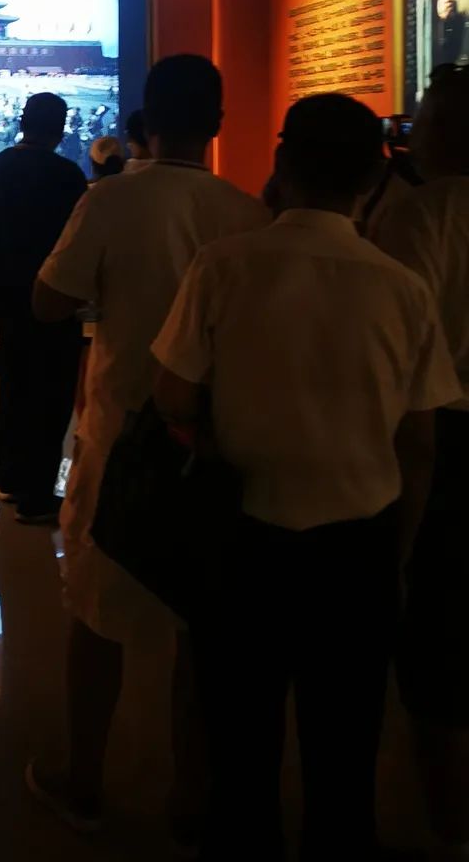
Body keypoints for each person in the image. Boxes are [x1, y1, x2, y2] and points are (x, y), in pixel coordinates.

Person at [153, 92, 461, 862]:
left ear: (281, 166)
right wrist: (398, 553)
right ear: (373, 179)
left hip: (242, 537)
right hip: (358, 545)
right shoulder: (402, 286)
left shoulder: (222, 265)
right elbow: (420, 443)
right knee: (345, 748)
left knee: (241, 740)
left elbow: (173, 394)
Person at [26, 56, 267, 836]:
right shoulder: (248, 212)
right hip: (212, 439)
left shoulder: (109, 200)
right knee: (202, 623)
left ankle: (84, 779)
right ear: (218, 124)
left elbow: (48, 301)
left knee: (98, 611)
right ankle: (191, 799)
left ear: (145, 119)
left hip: (121, 432)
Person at [374, 66, 469, 859]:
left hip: (446, 435)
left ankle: (446, 824)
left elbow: (396, 348)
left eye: (424, 121)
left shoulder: (423, 214)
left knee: (438, 630)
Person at [0, 93, 87, 524]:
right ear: (60, 128)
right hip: (53, 297)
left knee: (14, 387)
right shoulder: (67, 175)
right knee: (51, 397)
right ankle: (38, 495)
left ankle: (8, 479)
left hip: (6, 294)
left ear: (22, 122)